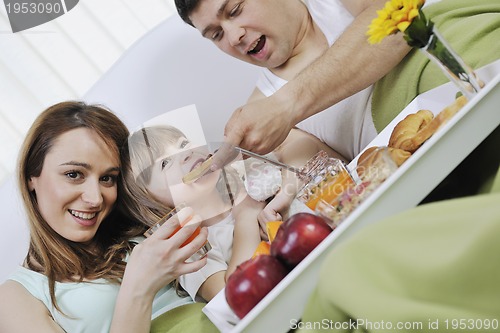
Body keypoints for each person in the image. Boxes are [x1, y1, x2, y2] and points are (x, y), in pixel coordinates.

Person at [0, 101, 211, 333]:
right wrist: (138, 289)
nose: (96, 199)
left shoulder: (141, 225)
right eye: (74, 174)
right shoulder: (15, 298)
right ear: (32, 176)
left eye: (107, 178)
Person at [174, 0, 412, 166]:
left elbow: (398, 19)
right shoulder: (258, 114)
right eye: (217, 35)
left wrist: (285, 106)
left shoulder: (333, 4)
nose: (234, 36)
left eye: (235, 10)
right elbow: (343, 183)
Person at [121, 124, 265, 302]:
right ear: (151, 202)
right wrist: (247, 217)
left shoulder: (248, 178)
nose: (186, 153)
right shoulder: (189, 252)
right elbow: (235, 297)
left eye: (183, 144)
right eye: (165, 163)